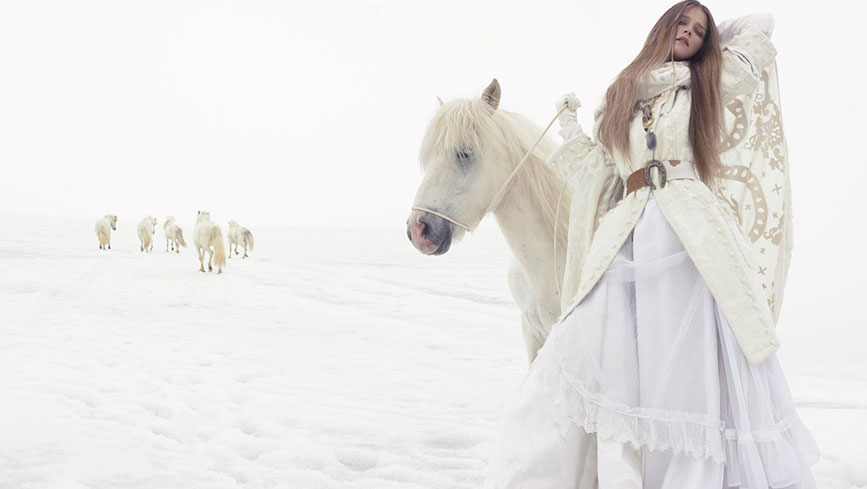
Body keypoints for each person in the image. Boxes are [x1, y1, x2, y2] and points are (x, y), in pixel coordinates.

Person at [482, 2, 820, 488]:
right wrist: (571, 128)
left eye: (698, 31)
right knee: (595, 342)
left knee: (681, 363)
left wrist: (714, 41)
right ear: (663, 27)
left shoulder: (705, 81)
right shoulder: (623, 95)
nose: (690, 33)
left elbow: (761, 26)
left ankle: (686, 474)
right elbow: (601, 169)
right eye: (683, 23)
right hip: (630, 229)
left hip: (689, 231)